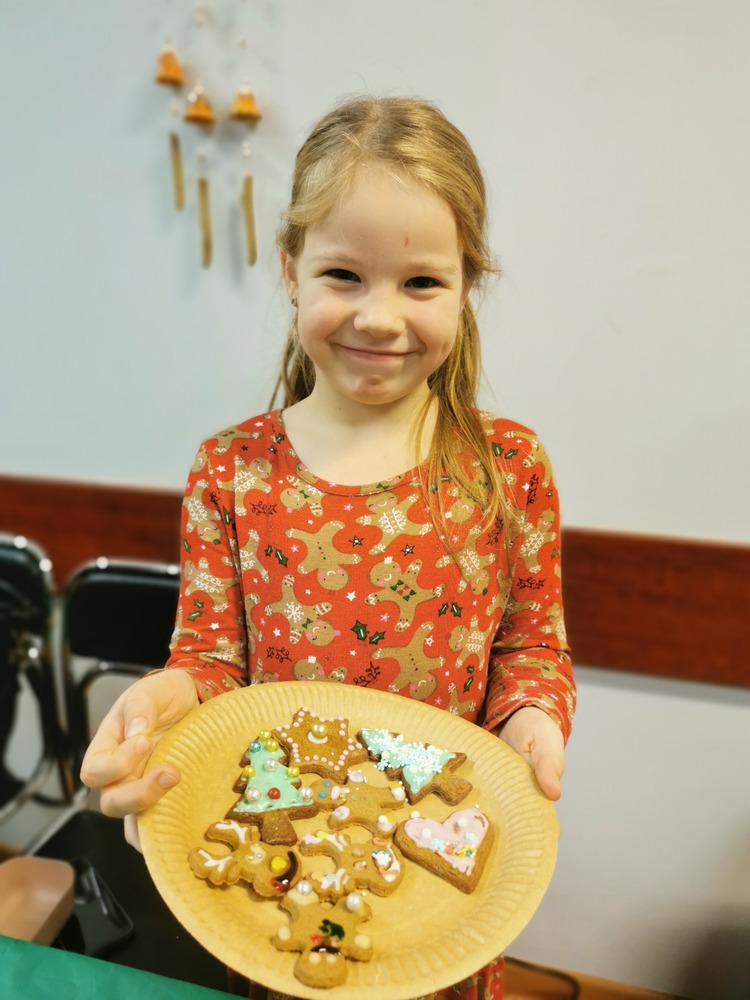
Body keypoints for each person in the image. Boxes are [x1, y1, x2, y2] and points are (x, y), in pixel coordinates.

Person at [81, 95, 576, 1000]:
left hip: (434, 889)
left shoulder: (508, 468)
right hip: (287, 873)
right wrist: (162, 699)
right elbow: (210, 663)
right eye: (344, 274)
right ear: (291, 270)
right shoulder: (233, 469)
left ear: (468, 286)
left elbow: (531, 646)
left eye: (421, 283)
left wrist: (533, 719)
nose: (380, 318)